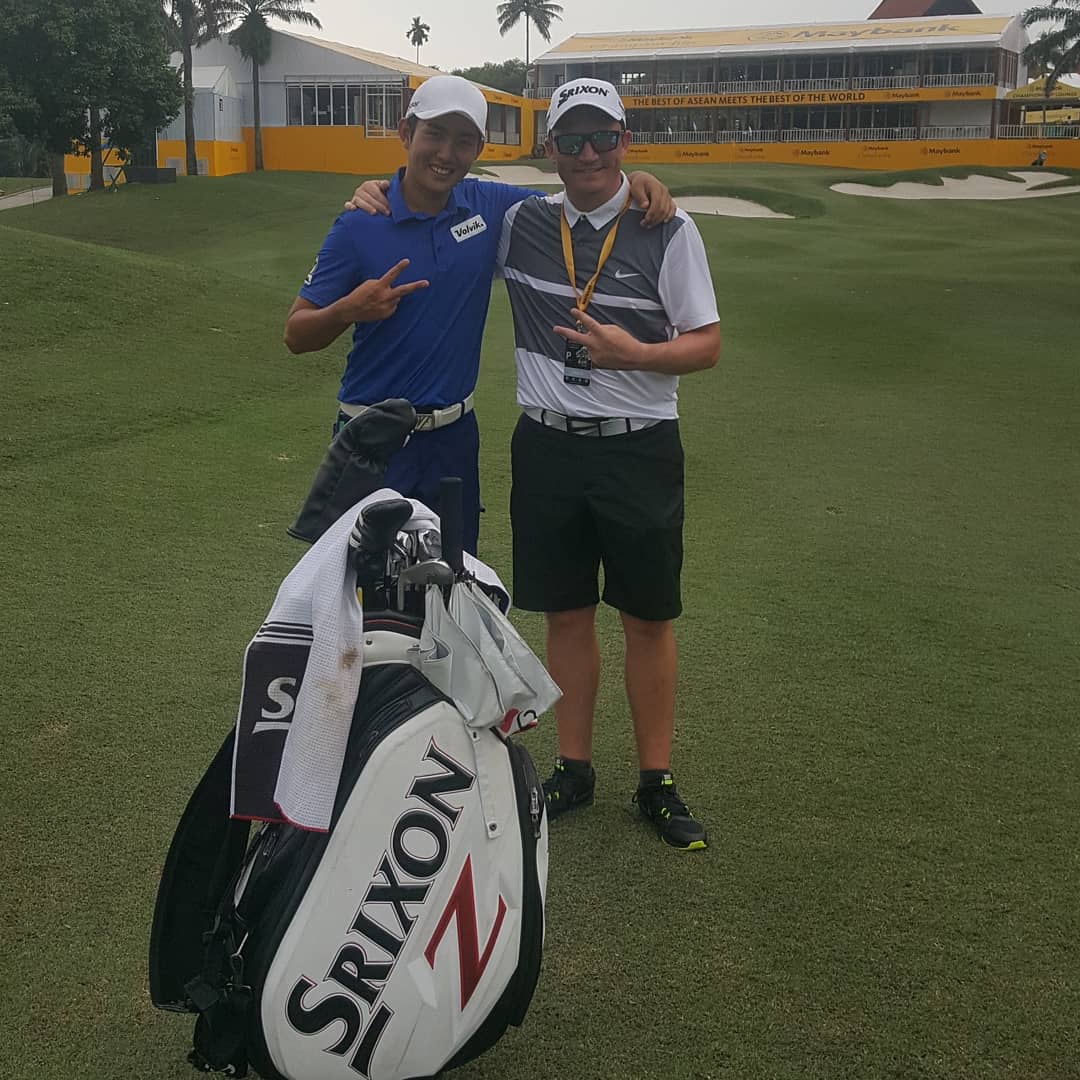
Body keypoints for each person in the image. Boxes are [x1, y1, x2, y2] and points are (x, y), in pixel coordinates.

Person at [285, 75, 673, 554]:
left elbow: (580, 196)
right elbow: (296, 334)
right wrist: (350, 309)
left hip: (452, 441)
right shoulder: (360, 223)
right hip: (372, 440)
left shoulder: (491, 207)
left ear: (478, 150)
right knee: (364, 587)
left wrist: (635, 182)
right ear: (406, 133)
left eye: (463, 141)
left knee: (453, 581)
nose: (446, 153)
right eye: (434, 134)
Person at [496, 79, 721, 850]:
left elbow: (707, 344)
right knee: (565, 612)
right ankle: (574, 768)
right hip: (547, 445)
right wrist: (372, 192)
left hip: (638, 445)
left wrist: (638, 354)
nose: (588, 153)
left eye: (602, 137)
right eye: (572, 139)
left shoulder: (668, 228)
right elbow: (437, 199)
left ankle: (655, 780)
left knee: (647, 618)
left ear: (625, 140)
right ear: (550, 147)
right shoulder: (521, 222)